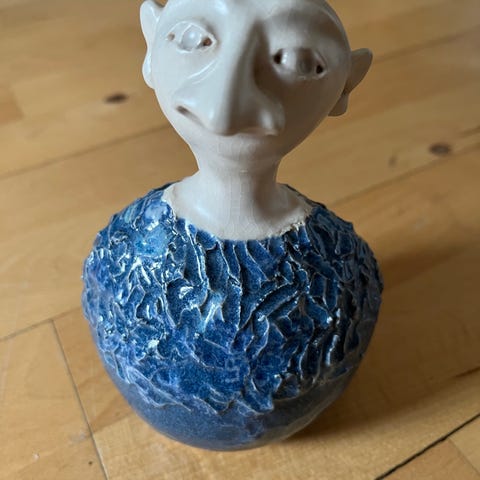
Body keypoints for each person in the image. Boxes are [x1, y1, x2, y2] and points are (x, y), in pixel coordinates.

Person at [140, 0, 372, 240]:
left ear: (345, 86)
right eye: (192, 39)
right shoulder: (332, 249)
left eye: (297, 61)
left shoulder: (333, 249)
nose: (221, 115)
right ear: (151, 42)